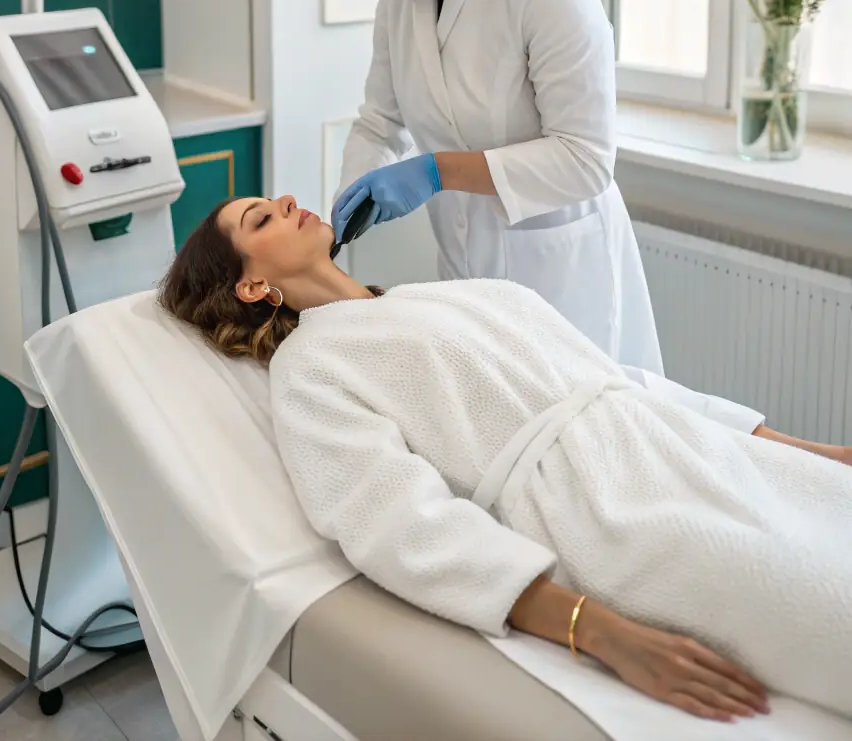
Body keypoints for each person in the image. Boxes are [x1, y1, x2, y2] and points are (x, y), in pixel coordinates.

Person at [159, 193, 852, 724]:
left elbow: (628, 382)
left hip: (690, 449)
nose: (286, 200)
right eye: (260, 219)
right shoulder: (310, 366)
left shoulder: (458, 293)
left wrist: (816, 455)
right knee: (821, 601)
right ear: (252, 287)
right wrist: (599, 632)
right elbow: (398, 522)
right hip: (609, 510)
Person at [323, 0, 662, 372]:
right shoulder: (398, 5)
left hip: (559, 275)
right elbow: (380, 123)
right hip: (468, 274)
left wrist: (437, 171)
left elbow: (586, 159)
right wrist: (346, 203)